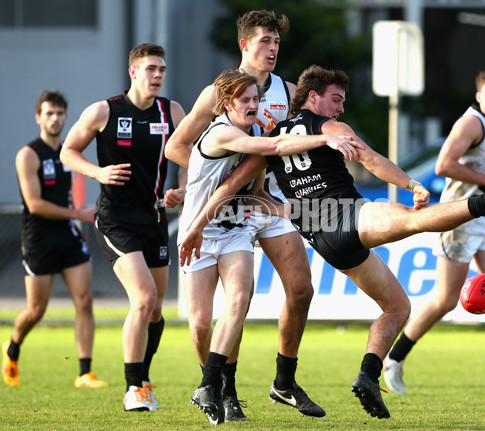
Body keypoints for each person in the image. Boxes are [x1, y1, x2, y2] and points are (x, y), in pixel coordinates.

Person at [178, 64, 485, 419]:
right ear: (313, 97)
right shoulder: (329, 128)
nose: (340, 108)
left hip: (322, 237)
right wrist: (411, 184)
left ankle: (369, 376)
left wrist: (200, 222)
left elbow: (233, 185)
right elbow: (371, 159)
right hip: (344, 213)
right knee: (413, 219)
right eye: (336, 99)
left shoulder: (271, 141)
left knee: (397, 306)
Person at [170, 68, 357, 425]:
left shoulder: (256, 130)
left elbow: (255, 195)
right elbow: (273, 147)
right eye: (246, 100)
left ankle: (211, 385)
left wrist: (294, 210)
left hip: (234, 230)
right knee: (199, 326)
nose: (254, 105)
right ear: (226, 104)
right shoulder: (222, 132)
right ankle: (218, 389)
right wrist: (324, 139)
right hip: (199, 232)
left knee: (239, 299)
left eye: (256, 99)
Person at [165, 10, 325, 421]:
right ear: (244, 45)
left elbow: (297, 138)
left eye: (276, 42)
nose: (273, 49)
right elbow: (177, 147)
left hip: (266, 205)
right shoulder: (218, 92)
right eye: (265, 42)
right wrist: (211, 182)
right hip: (225, 206)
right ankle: (226, 390)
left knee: (301, 289)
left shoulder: (288, 91)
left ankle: (284, 382)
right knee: (208, 318)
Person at [383, 67, 485, 396]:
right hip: (456, 217)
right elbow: (443, 165)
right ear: (479, 95)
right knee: (446, 301)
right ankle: (393, 359)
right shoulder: (472, 123)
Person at [60, 43, 186, 411]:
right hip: (116, 218)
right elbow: (69, 151)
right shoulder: (105, 110)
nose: (158, 75)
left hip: (155, 216)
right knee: (144, 298)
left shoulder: (172, 111)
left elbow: (191, 153)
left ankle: (143, 377)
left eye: (162, 69)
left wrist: (182, 187)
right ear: (133, 72)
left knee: (157, 308)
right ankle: (134, 389)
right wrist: (98, 172)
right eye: (150, 69)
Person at [2, 90, 107, 389]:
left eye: (60, 113)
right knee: (37, 310)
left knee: (84, 300)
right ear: (39, 117)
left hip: (68, 235)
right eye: (49, 113)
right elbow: (34, 204)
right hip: (38, 239)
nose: (55, 118)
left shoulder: (67, 152)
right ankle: (12, 348)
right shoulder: (28, 154)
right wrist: (79, 213)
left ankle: (85, 372)